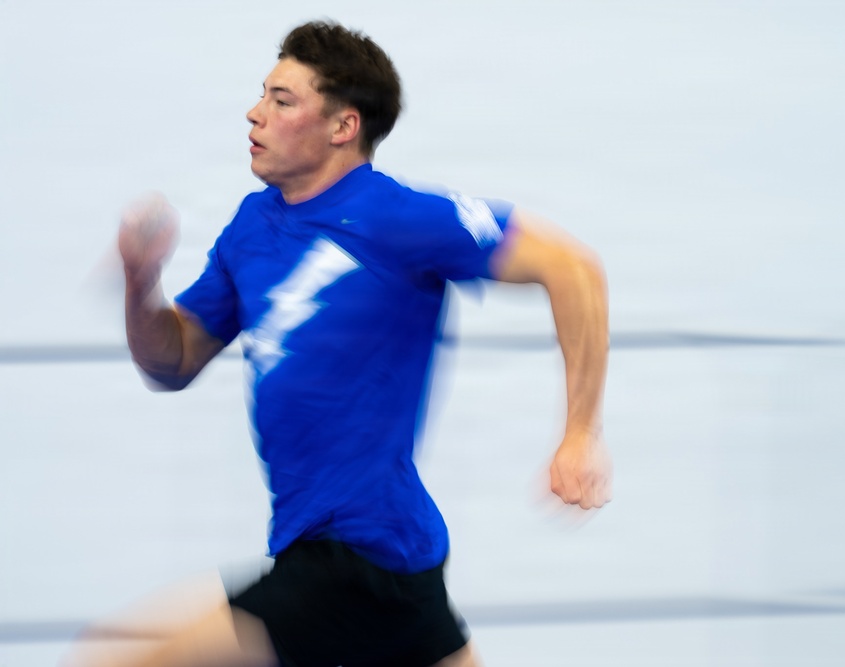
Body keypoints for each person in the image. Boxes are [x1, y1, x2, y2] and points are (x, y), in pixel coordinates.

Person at [66, 19, 611, 667]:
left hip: (357, 554)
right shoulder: (252, 228)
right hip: (373, 561)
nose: (254, 113)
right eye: (262, 94)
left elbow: (573, 268)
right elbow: (174, 359)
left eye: (282, 100)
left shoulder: (398, 218)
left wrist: (580, 431)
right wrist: (140, 280)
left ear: (342, 127)